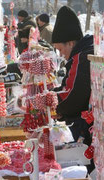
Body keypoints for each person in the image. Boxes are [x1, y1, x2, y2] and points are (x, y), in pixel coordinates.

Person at [51, 6, 94, 173]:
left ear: (70, 42)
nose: (61, 55)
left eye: (60, 49)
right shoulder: (83, 53)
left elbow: (73, 96)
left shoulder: (81, 57)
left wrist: (55, 104)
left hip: (86, 125)